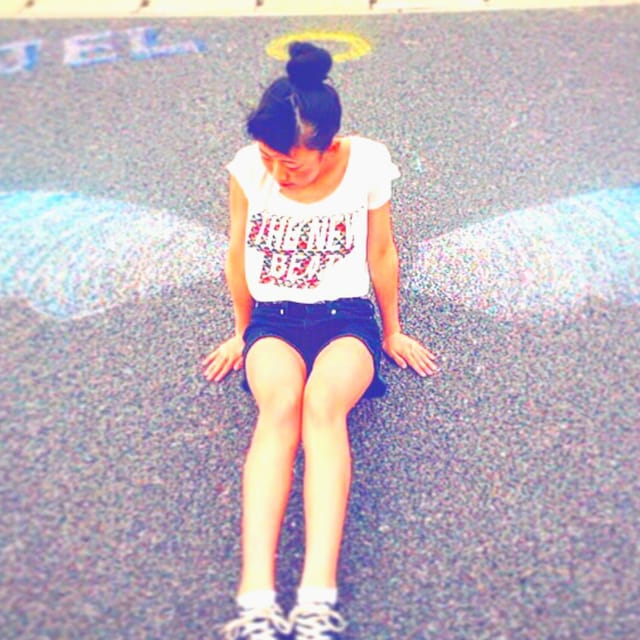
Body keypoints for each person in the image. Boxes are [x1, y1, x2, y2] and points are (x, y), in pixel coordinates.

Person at [202, 41, 438, 640]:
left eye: (292, 163)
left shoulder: (367, 162)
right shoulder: (248, 168)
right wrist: (240, 331)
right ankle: (256, 600)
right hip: (274, 320)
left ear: (327, 147)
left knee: (322, 407)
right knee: (279, 408)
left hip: (345, 319)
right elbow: (237, 253)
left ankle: (316, 598)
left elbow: (381, 251)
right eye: (269, 157)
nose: (278, 172)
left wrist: (393, 330)